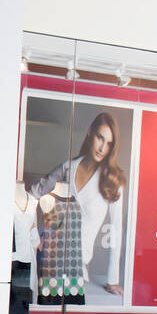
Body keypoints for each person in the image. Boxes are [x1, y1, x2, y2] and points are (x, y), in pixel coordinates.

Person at [28, 111, 127, 295]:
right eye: (100, 138)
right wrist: (35, 235)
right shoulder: (68, 168)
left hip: (77, 269)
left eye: (109, 143)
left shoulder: (113, 182)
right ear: (90, 133)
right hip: (48, 261)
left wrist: (112, 279)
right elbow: (33, 194)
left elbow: (116, 230)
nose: (102, 148)